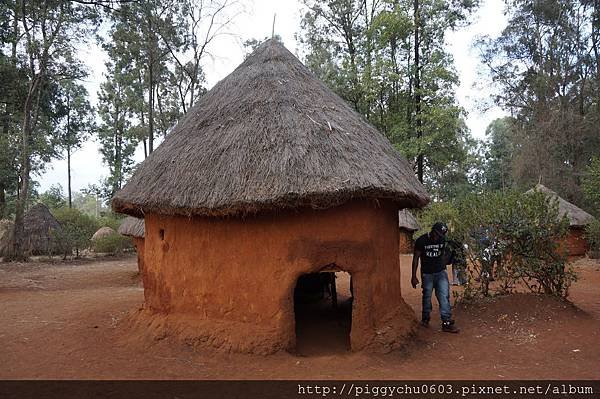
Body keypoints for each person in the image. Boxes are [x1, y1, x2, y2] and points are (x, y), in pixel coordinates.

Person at [411, 222, 459, 333]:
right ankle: (425, 318)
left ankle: (446, 322)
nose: (438, 237)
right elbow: (416, 258)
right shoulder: (421, 241)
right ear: (432, 231)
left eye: (441, 235)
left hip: (441, 273)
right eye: (437, 234)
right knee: (427, 296)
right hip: (427, 274)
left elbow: (443, 254)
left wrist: (444, 267)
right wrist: (413, 276)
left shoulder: (442, 240)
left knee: (444, 296)